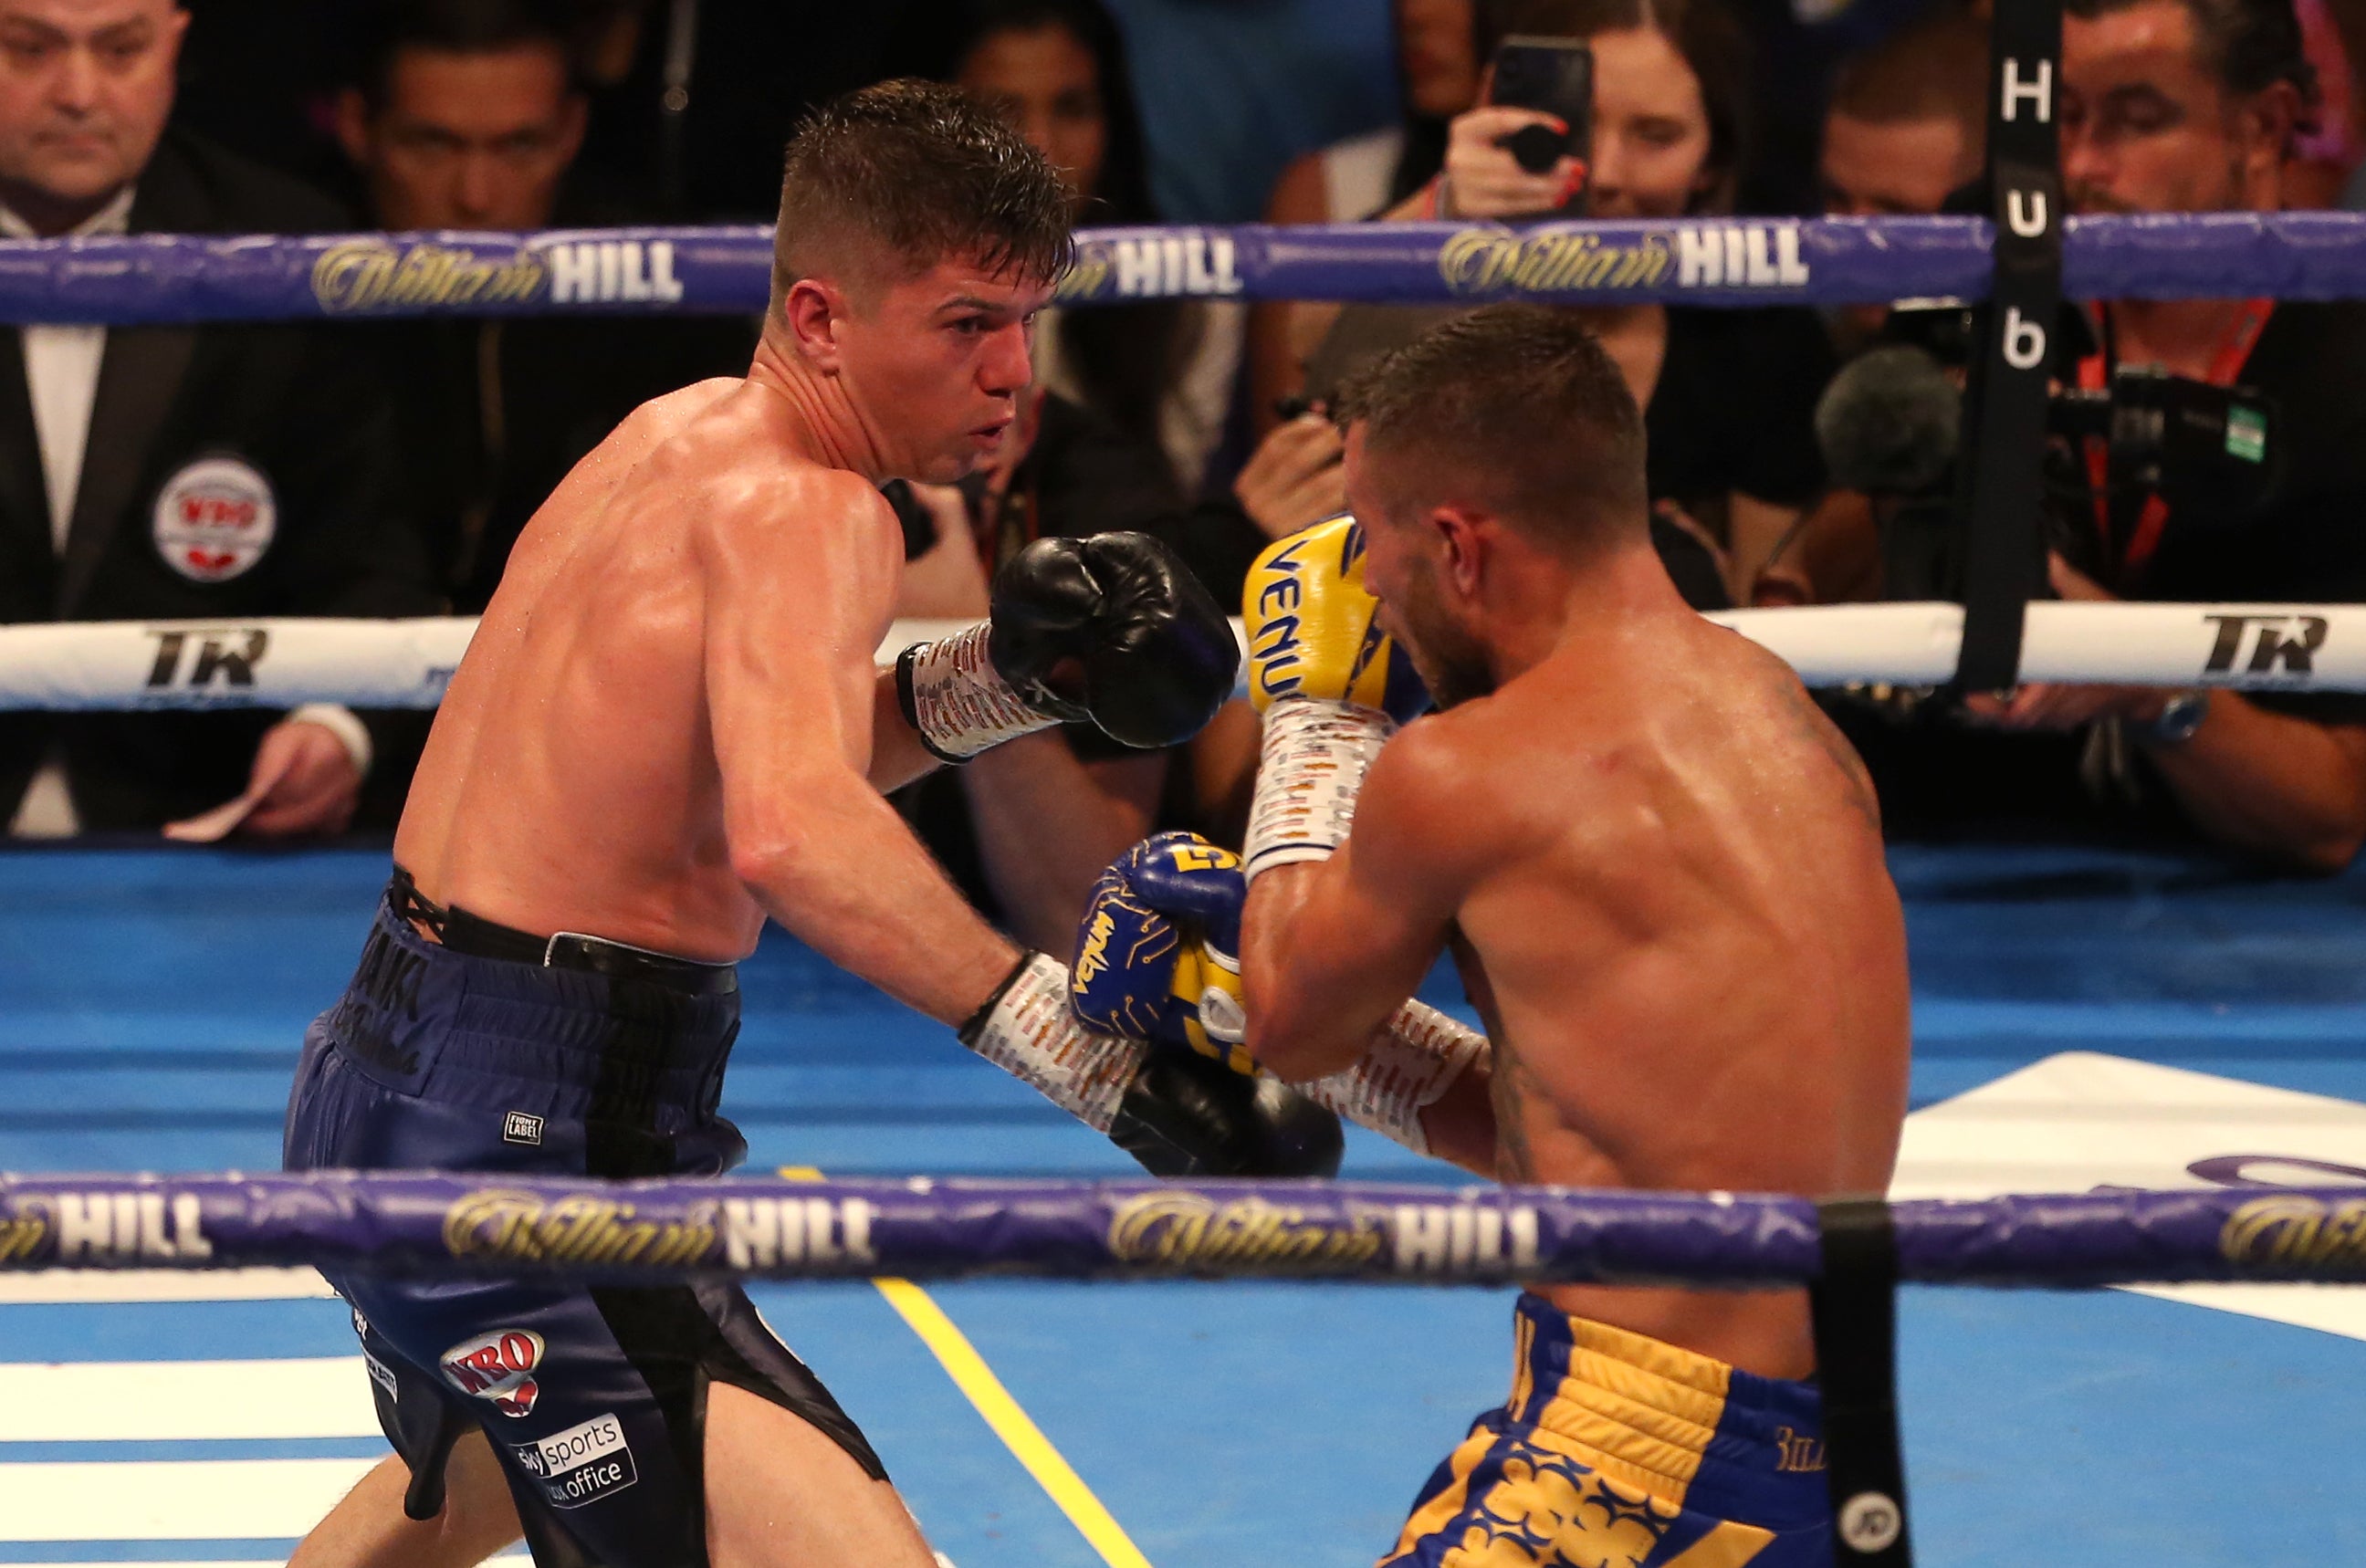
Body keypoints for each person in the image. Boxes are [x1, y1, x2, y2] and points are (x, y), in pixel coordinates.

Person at [281, 81, 1337, 1568]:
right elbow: (792, 827)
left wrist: (1005, 673)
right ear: (825, 317)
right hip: (541, 1137)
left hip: (393, 1077)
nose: (1009, 374)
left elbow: (728, 767)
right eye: (965, 323)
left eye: (1024, 322)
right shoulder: (813, 511)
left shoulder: (676, 438)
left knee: (482, 1478)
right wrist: (1098, 1067)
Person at [1071, 304, 1911, 1563]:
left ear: (1459, 548)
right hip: (1824, 1440)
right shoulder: (1785, 724)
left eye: (1376, 555)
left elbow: (1295, 1021)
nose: (1373, 594)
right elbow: (1607, 1136)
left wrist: (1318, 713)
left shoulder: (1472, 768)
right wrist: (1222, 993)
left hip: (1636, 1444)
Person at [1847, 0, 2366, 873]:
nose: (2081, 166)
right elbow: (1854, 542)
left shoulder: (2344, 375)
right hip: (1940, 873)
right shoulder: (1979, 264)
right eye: (2062, 117)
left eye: (2138, 120)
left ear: (2265, 126)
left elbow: (2330, 814)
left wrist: (2146, 679)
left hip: (2230, 936)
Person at [0, 0, 438, 840]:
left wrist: (334, 729)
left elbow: (371, 556)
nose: (80, 93)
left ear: (174, 42)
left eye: (121, 49)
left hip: (206, 838)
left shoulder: (291, 254)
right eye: (31, 50)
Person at [1293, 0, 1838, 608]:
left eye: (1655, 136)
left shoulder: (1762, 341)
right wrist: (1440, 215)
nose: (1603, 173)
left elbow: (1768, 608)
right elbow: (1306, 339)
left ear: (1710, 161)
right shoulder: (1435, 280)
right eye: (1574, 128)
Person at [333, 0, 757, 611]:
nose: (475, 197)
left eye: (519, 147)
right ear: (355, 127)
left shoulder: (659, 281)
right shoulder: (285, 283)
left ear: (571, 132)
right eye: (432, 145)